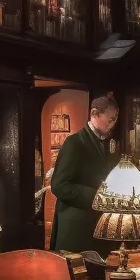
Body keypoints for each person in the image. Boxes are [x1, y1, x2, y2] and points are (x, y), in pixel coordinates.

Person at [50, 93, 120, 253]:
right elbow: (59, 186)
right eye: (110, 119)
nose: (113, 124)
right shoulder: (74, 143)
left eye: (115, 120)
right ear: (94, 114)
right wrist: (98, 196)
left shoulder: (107, 144)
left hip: (96, 228)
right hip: (76, 231)